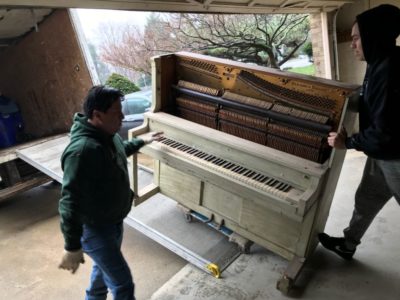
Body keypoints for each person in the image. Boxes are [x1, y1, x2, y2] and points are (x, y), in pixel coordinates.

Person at [58, 85, 162, 299]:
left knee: (101, 273)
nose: (123, 116)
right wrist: (72, 246)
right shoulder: (83, 151)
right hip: (94, 228)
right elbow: (69, 203)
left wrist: (142, 141)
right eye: (116, 112)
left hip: (112, 221)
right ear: (97, 115)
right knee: (122, 285)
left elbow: (120, 150)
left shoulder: (108, 134)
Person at [318, 4, 400, 261]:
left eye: (356, 38)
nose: (352, 44)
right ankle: (348, 243)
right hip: (382, 153)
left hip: (396, 157)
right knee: (367, 197)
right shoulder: (379, 60)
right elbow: (372, 106)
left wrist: (348, 142)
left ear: (373, 36)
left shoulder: (389, 71)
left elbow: (385, 132)